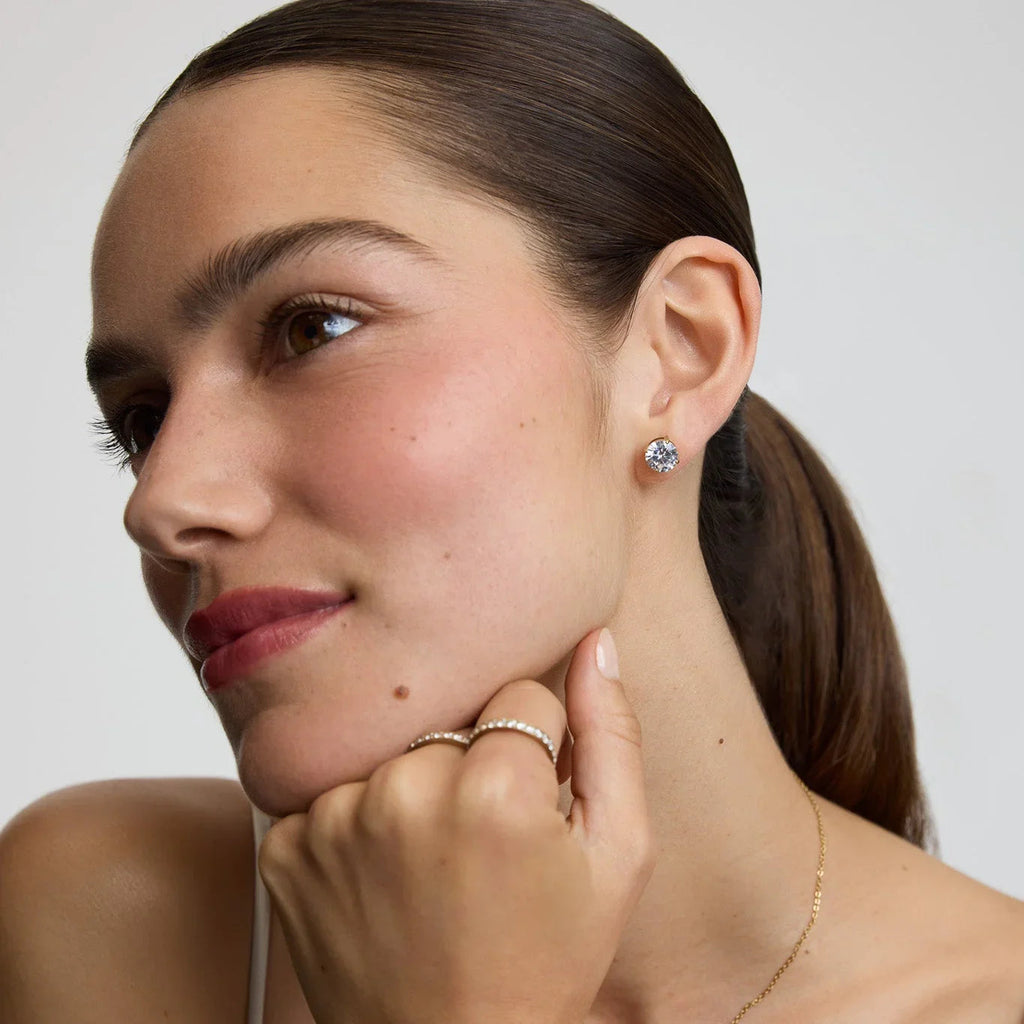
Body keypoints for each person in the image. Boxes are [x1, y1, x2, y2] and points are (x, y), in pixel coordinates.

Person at [2, 0, 1022, 1020]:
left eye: (312, 328)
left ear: (678, 351)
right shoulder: (110, 926)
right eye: (140, 419)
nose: (161, 501)